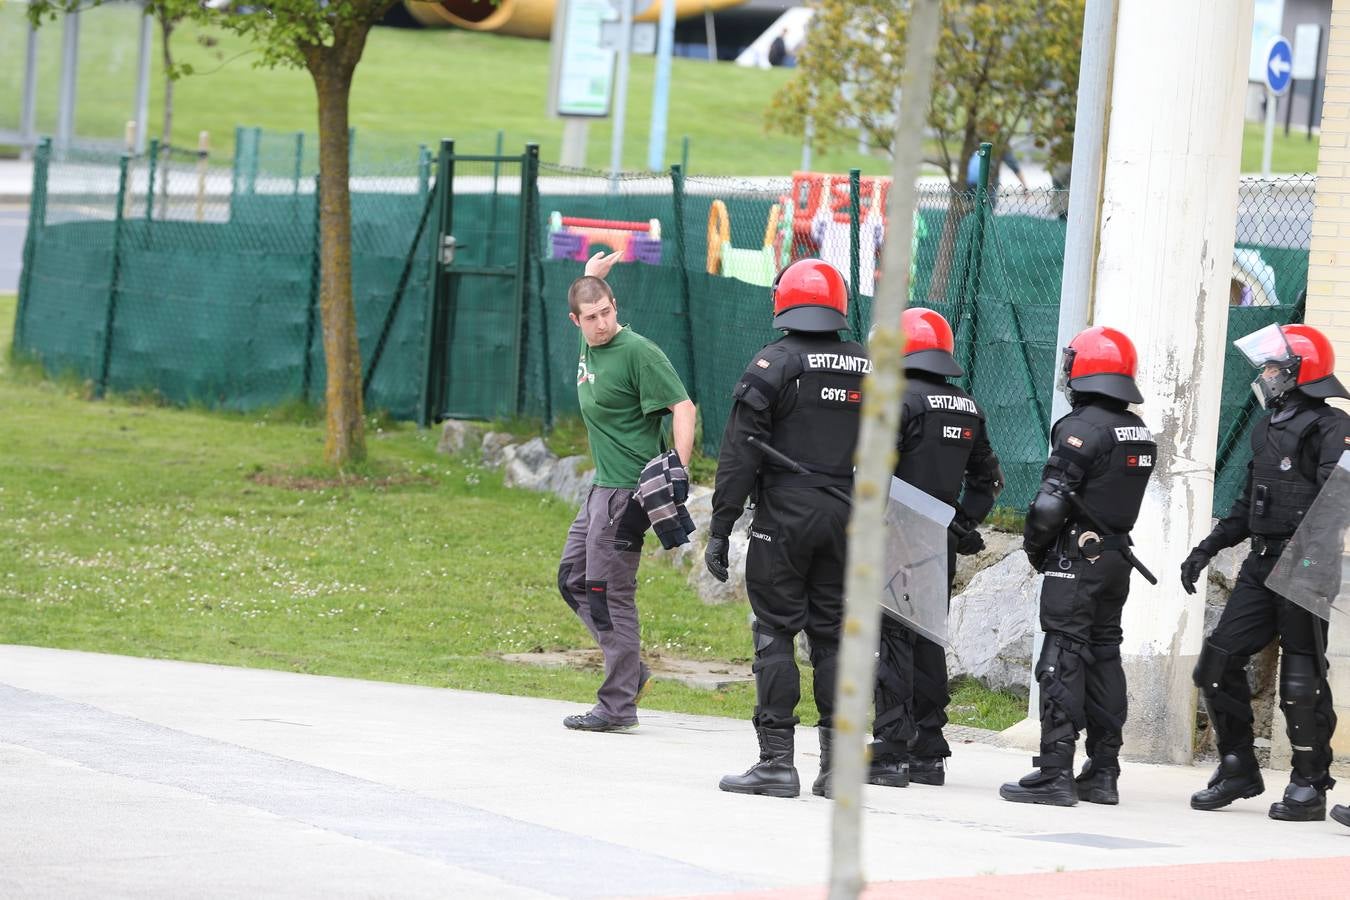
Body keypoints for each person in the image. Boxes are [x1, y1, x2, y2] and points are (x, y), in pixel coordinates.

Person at [704, 258, 865, 799]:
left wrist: (721, 527)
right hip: (848, 515)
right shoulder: (869, 367)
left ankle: (776, 762)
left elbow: (738, 455)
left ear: (785, 302)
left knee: (774, 631)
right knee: (833, 639)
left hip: (785, 517)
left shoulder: (772, 364)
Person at [1182, 323, 1349, 821]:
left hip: (1308, 560)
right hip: (1260, 559)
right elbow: (1247, 503)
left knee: (1302, 680)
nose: (1267, 375)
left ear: (1301, 372)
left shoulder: (1332, 425)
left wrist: (1308, 561)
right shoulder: (1266, 426)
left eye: (1275, 367)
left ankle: (1309, 784)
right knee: (1214, 664)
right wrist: (1207, 547)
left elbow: (1338, 499)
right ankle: (1238, 766)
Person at [1000, 326, 1156, 807]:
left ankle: (1054, 773)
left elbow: (1049, 507)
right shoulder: (1137, 429)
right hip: (1116, 557)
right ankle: (1104, 771)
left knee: (1063, 658)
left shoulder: (1081, 427)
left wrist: (1033, 547)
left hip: (1077, 559)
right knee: (1105, 654)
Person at [557, 251, 696, 733]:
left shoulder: (638, 351)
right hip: (600, 490)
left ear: (616, 307)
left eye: (607, 313)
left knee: (607, 593)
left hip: (626, 494)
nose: (601, 324)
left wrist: (678, 466)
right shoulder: (589, 346)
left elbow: (683, 405)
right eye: (591, 318)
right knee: (573, 578)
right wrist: (593, 275)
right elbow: (586, 292)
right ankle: (631, 669)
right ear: (576, 321)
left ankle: (617, 705)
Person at [868, 308, 1003, 789]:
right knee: (927, 640)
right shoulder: (967, 406)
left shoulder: (895, 401)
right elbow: (988, 480)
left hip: (890, 537)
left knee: (891, 642)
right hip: (936, 541)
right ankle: (929, 750)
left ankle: (889, 752)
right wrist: (959, 524)